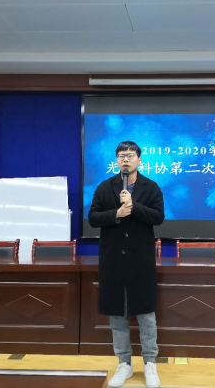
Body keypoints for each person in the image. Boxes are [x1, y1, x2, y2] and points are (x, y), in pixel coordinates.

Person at [88, 140, 165, 388]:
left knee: (146, 314)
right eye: (121, 155)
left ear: (139, 160)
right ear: (116, 160)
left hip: (140, 260)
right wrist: (116, 214)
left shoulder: (151, 187)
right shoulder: (105, 187)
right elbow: (93, 218)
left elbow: (158, 217)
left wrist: (134, 207)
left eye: (130, 155)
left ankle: (150, 362)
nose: (125, 159)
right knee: (117, 315)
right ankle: (124, 363)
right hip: (113, 260)